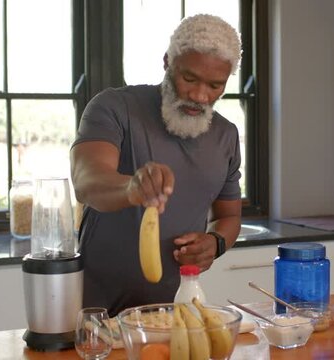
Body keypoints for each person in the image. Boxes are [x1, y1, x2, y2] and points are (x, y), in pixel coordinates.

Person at [70, 14, 243, 317]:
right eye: (189, 78)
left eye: (216, 85)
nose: (200, 96)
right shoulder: (114, 107)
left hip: (175, 312)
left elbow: (228, 217)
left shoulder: (226, 136)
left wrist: (215, 243)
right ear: (167, 62)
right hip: (95, 312)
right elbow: (86, 181)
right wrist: (130, 187)